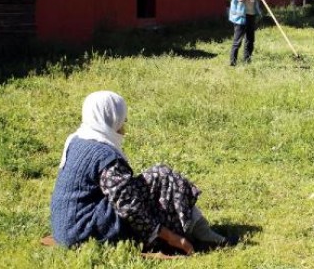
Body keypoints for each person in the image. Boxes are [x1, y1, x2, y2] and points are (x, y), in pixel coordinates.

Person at [50, 91, 237, 255]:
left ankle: (200, 229)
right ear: (110, 117)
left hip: (66, 226)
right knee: (162, 177)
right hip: (83, 231)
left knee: (148, 183)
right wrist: (172, 238)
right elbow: (129, 207)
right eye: (122, 118)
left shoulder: (77, 139)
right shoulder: (104, 155)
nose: (124, 124)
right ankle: (201, 234)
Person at [229, 0, 262, 66]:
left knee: (250, 40)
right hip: (241, 16)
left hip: (251, 14)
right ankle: (232, 63)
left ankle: (247, 61)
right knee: (237, 41)